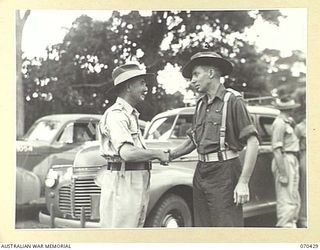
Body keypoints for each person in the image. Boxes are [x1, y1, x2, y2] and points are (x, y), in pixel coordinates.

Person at [169, 51, 260, 227]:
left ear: (211, 73)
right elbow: (194, 140)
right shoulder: (200, 104)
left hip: (225, 173)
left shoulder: (233, 100)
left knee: (226, 230)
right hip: (201, 172)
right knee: (203, 229)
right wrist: (168, 155)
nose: (192, 80)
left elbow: (253, 141)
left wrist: (243, 182)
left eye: (196, 74)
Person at [95, 62, 169, 228]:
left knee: (133, 235)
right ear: (128, 86)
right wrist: (157, 153)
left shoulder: (130, 115)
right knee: (122, 238)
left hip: (134, 180)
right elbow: (127, 153)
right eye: (142, 83)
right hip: (123, 182)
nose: (146, 88)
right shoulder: (116, 115)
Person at [271, 97, 301, 228]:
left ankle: (291, 224)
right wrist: (283, 173)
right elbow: (277, 150)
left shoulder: (288, 122)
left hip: (291, 158)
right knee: (286, 197)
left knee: (293, 194)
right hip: (284, 159)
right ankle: (285, 228)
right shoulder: (279, 123)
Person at [295, 117, 307, 228]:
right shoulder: (300, 127)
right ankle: (303, 217)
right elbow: (295, 145)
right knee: (305, 188)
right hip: (305, 155)